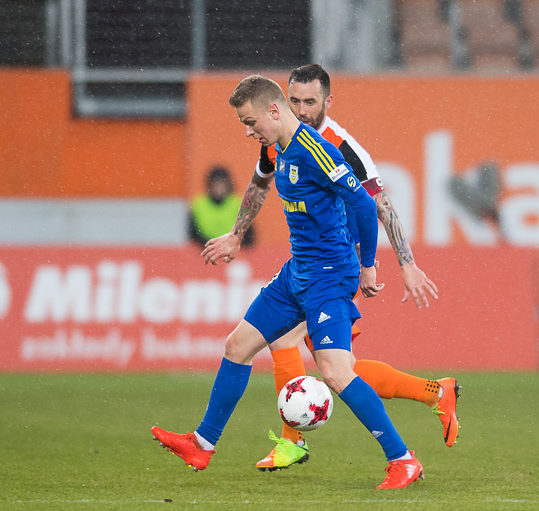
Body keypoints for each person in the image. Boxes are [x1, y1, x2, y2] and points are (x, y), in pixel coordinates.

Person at [152, 74, 424, 489]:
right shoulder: (275, 148)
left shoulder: (317, 151)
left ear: (274, 111)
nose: (248, 131)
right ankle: (202, 444)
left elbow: (364, 205)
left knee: (336, 372)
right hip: (297, 273)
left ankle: (403, 459)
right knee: (237, 346)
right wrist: (236, 235)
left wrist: (368, 265)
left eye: (250, 122)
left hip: (330, 277)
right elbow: (259, 185)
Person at [253, 64, 456, 473]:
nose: (302, 109)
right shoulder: (278, 137)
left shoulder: (340, 146)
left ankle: (295, 442)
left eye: (311, 102)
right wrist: (236, 234)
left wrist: (405, 264)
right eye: (295, 101)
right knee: (337, 367)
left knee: (307, 352)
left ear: (328, 101)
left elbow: (380, 205)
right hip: (311, 263)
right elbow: (260, 181)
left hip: (335, 266)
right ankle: (435, 392)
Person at [188, 166, 255, 248]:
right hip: (204, 249)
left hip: (233, 250)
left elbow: (249, 235)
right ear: (209, 185)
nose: (218, 188)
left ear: (228, 185)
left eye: (222, 184)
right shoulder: (199, 204)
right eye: (215, 184)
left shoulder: (239, 204)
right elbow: (193, 234)